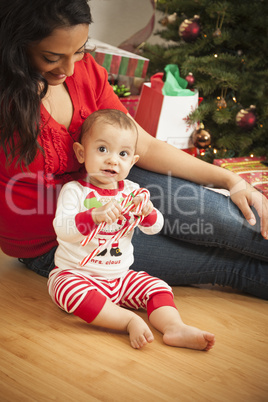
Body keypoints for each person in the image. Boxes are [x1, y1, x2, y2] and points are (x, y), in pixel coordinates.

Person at [0, 0, 267, 301]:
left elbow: (146, 144)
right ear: (16, 45)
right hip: (60, 242)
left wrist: (231, 180)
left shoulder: (85, 72)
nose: (70, 68)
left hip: (115, 183)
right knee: (225, 264)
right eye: (52, 57)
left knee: (228, 219)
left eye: (79, 50)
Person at [48, 109, 215, 350]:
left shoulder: (132, 192)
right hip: (78, 274)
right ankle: (127, 320)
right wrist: (94, 215)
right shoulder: (75, 191)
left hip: (120, 277)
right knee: (65, 290)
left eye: (123, 153)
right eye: (102, 149)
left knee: (157, 286)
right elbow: (62, 229)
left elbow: (155, 226)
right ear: (81, 153)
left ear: (132, 162)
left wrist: (147, 213)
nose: (113, 160)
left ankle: (173, 327)